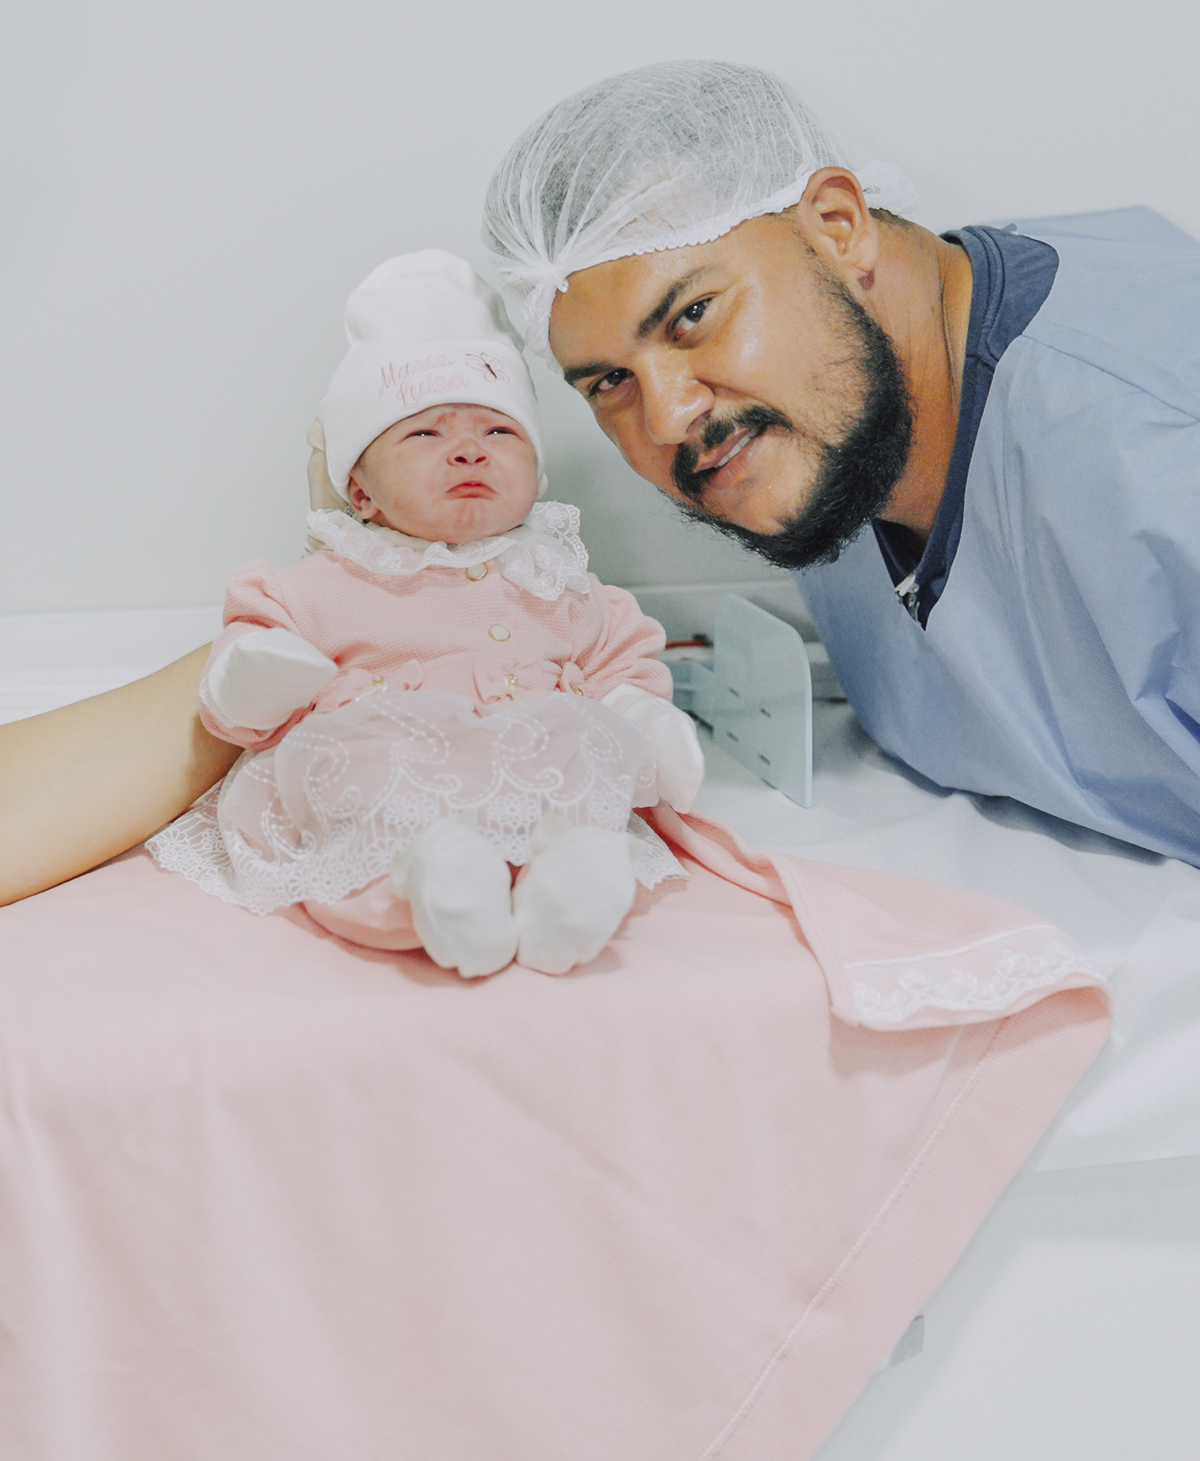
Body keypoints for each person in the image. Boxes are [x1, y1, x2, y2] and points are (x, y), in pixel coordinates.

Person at [481, 60, 1200, 867]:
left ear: (838, 226)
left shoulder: (1160, 445)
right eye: (609, 382)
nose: (668, 418)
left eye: (692, 315)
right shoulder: (836, 425)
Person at [146, 248, 703, 976]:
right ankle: (429, 883)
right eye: (425, 433)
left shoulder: (554, 580)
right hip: (388, 779)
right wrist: (257, 677)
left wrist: (641, 717)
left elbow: (616, 657)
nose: (469, 451)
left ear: (536, 476)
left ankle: (567, 882)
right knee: (351, 815)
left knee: (575, 766)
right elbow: (252, 660)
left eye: (499, 432)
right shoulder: (332, 580)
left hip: (528, 776)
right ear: (362, 492)